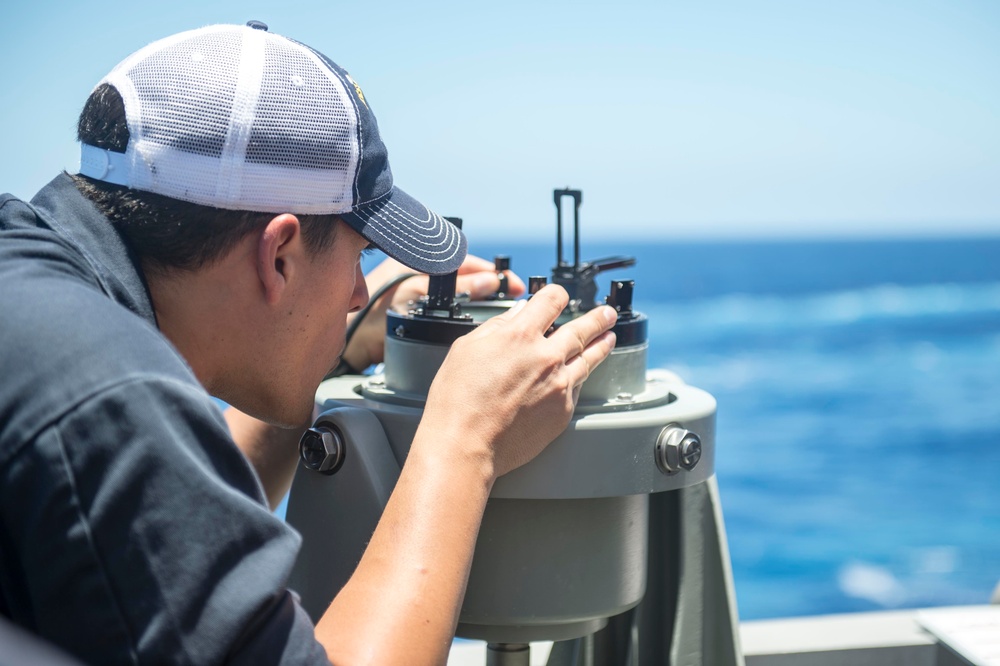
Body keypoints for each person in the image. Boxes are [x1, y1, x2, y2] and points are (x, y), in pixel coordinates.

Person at [0, 22, 617, 665]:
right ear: (281, 257)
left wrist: (337, 348)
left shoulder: (42, 305)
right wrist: (466, 436)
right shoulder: (105, 401)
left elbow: (178, 525)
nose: (359, 293)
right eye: (357, 257)